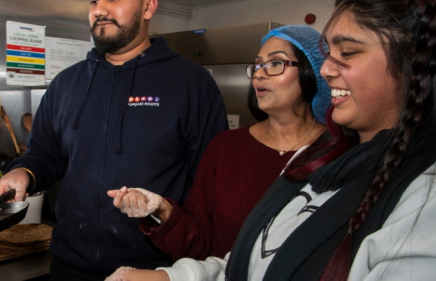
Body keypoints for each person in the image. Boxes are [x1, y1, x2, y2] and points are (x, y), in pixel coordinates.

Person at [104, 0, 436, 280]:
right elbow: (254, 259)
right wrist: (167, 269)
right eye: (256, 66)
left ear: (416, 61)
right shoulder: (320, 159)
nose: (328, 69)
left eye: (347, 53)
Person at [0, 0, 228, 280]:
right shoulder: (66, 84)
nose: (99, 10)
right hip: (68, 266)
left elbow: (210, 187)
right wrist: (23, 172)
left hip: (152, 271)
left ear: (149, 7)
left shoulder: (192, 84)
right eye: (94, 0)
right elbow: (45, 155)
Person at [106, 25, 330, 261]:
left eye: (275, 64)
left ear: (311, 71)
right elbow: (199, 241)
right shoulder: (225, 148)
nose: (259, 74)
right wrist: (161, 208)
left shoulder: (339, 151)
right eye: (256, 65)